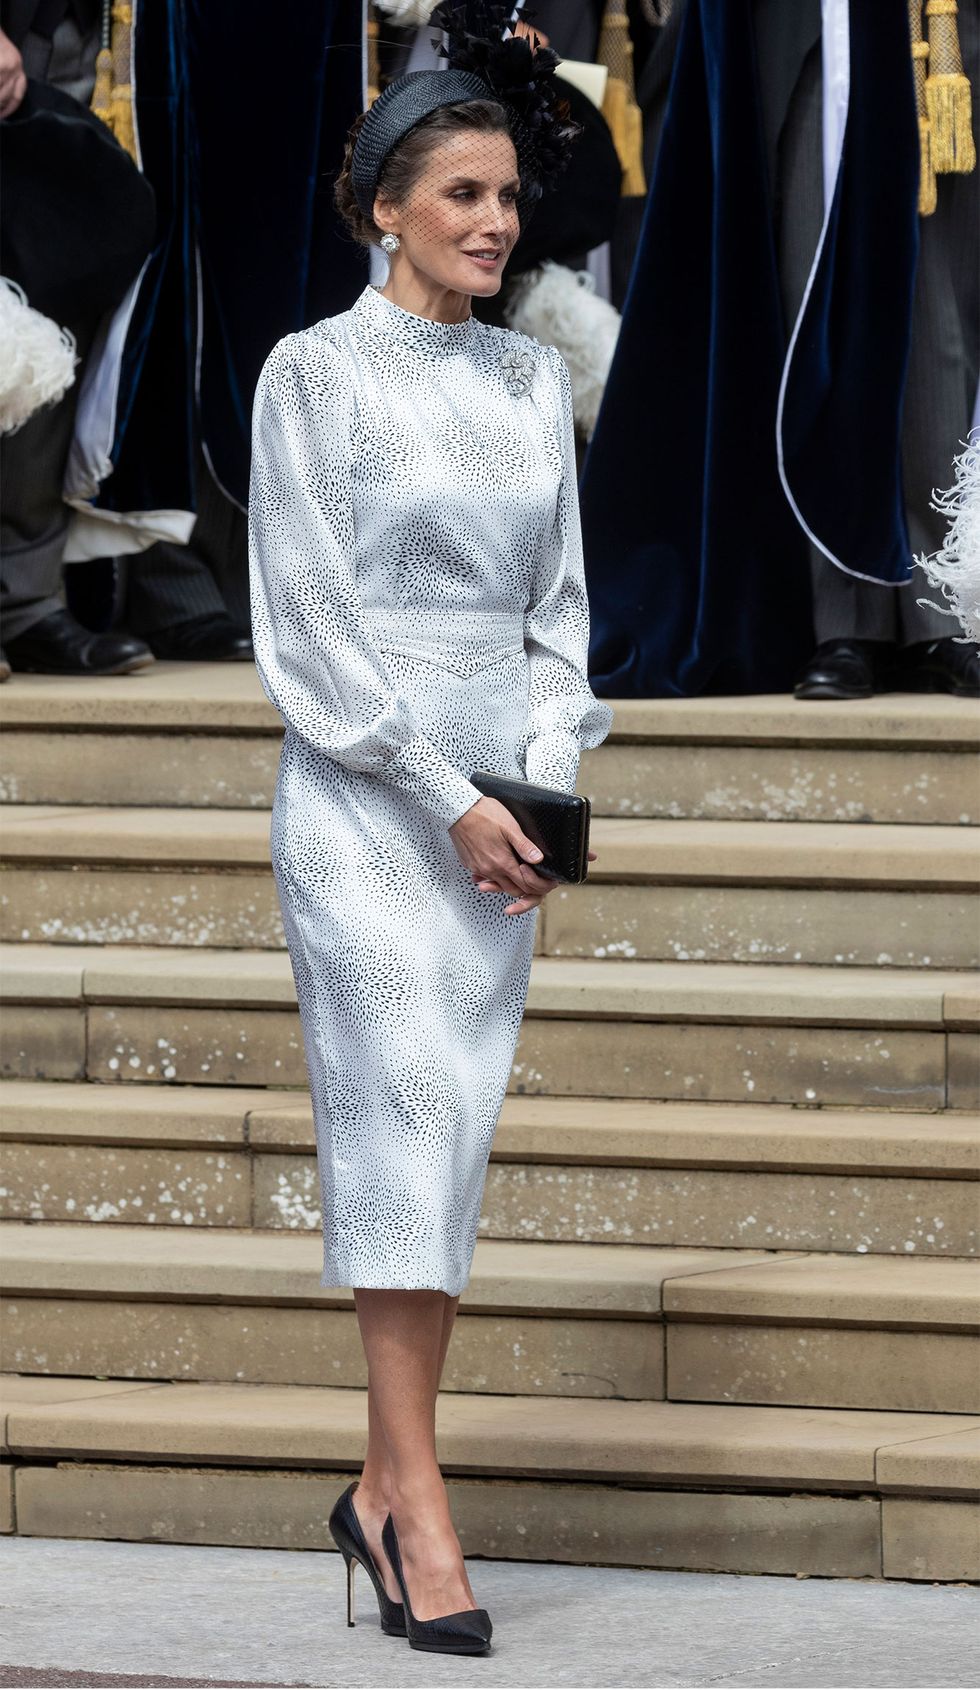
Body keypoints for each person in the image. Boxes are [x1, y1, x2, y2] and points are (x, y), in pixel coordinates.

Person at [247, 0, 612, 1657]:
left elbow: (560, 615)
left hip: (494, 821)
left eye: (508, 200)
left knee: (441, 1146)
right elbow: (308, 627)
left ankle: (384, 1488)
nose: (491, 223)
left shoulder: (538, 381)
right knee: (396, 1120)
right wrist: (447, 794)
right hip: (363, 799)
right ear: (383, 204)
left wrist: (535, 783)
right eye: (459, 194)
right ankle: (422, 1503)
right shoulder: (309, 374)